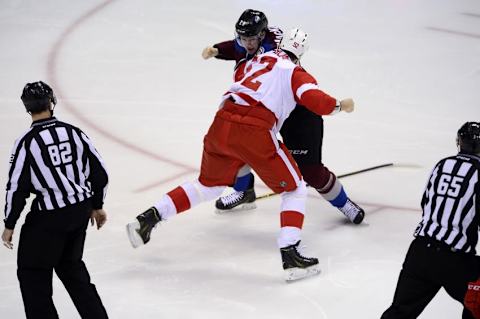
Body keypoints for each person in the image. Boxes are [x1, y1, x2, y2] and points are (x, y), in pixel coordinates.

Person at [127, 28, 356, 281]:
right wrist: (340, 105)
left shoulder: (256, 60)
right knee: (294, 189)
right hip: (255, 129)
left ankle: (151, 217)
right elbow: (313, 99)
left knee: (207, 185)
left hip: (221, 123)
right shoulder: (294, 71)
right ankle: (291, 254)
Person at [203, 10, 365, 224]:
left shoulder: (285, 62)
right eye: (244, 38)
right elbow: (235, 47)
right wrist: (216, 50)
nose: (247, 43)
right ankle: (245, 191)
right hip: (264, 112)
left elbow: (309, 93)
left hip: (298, 116)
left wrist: (336, 105)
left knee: (310, 172)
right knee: (238, 147)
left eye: (252, 38)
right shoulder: (248, 42)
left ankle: (344, 203)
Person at [1, 81, 109, 319]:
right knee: (72, 269)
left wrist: (10, 223)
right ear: (51, 102)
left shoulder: (26, 142)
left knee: (33, 273)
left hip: (48, 219)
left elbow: (16, 188)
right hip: (80, 212)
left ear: (27, 108)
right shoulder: (74, 132)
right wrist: (97, 206)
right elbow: (100, 172)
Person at [381, 122, 480, 319]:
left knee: (399, 313)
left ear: (459, 143)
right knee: (476, 306)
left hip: (419, 253)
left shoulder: (441, 164)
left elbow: (426, 203)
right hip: (456, 261)